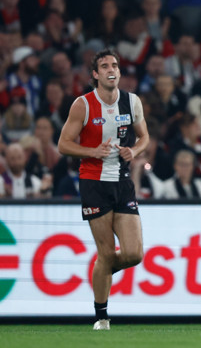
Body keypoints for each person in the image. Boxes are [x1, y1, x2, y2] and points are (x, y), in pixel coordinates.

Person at [57, 49, 149, 330]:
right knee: (106, 252)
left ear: (119, 72)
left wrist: (134, 151)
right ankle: (101, 316)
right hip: (93, 183)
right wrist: (92, 152)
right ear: (95, 75)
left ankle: (102, 268)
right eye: (105, 66)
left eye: (115, 65)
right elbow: (63, 144)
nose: (112, 69)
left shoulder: (132, 102)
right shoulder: (82, 105)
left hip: (122, 182)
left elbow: (145, 137)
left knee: (134, 254)